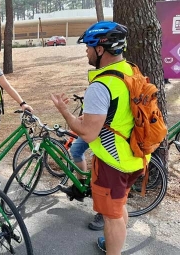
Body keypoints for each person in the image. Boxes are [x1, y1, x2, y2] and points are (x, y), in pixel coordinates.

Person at [51, 21, 146, 254]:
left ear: (101, 49)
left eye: (89, 47)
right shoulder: (130, 70)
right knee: (119, 204)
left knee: (110, 216)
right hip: (136, 156)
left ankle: (114, 248)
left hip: (113, 163)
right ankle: (114, 242)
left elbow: (87, 133)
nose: (86, 51)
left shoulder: (101, 85)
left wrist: (64, 112)